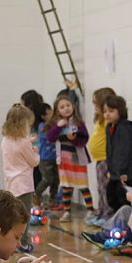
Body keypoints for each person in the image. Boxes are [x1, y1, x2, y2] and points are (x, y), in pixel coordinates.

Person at [44, 93, 92, 222]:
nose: (66, 108)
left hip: (77, 159)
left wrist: (74, 139)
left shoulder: (78, 122)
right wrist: (59, 126)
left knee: (83, 185)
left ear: (73, 106)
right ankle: (67, 211)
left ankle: (90, 210)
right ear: (57, 110)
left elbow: (84, 139)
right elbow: (50, 137)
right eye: (62, 107)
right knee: (66, 186)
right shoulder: (56, 124)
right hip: (64, 161)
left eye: (68, 105)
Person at [1, 104, 40, 254]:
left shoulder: (5, 140)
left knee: (12, 216)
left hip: (10, 183)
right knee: (24, 216)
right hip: (23, 184)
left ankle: (9, 242)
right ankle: (22, 243)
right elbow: (34, 161)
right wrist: (35, 150)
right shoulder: (24, 143)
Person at [86, 87, 116, 225]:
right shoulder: (99, 119)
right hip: (99, 160)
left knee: (105, 188)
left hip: (105, 159)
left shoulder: (108, 121)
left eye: (95, 103)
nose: (94, 106)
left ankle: (108, 214)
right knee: (100, 187)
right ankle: (101, 211)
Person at [102, 94, 132, 187]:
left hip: (124, 173)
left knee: (122, 199)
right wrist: (110, 169)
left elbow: (124, 152)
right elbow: (109, 150)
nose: (107, 114)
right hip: (114, 173)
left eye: (111, 111)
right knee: (112, 197)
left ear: (120, 111)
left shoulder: (124, 128)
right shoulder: (109, 126)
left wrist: (122, 172)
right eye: (105, 111)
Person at [33, 103, 58, 207]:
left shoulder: (54, 125)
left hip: (55, 158)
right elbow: (49, 136)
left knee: (56, 180)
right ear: (43, 116)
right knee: (48, 179)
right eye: (49, 112)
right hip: (45, 158)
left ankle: (53, 199)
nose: (52, 113)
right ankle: (36, 194)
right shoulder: (42, 126)